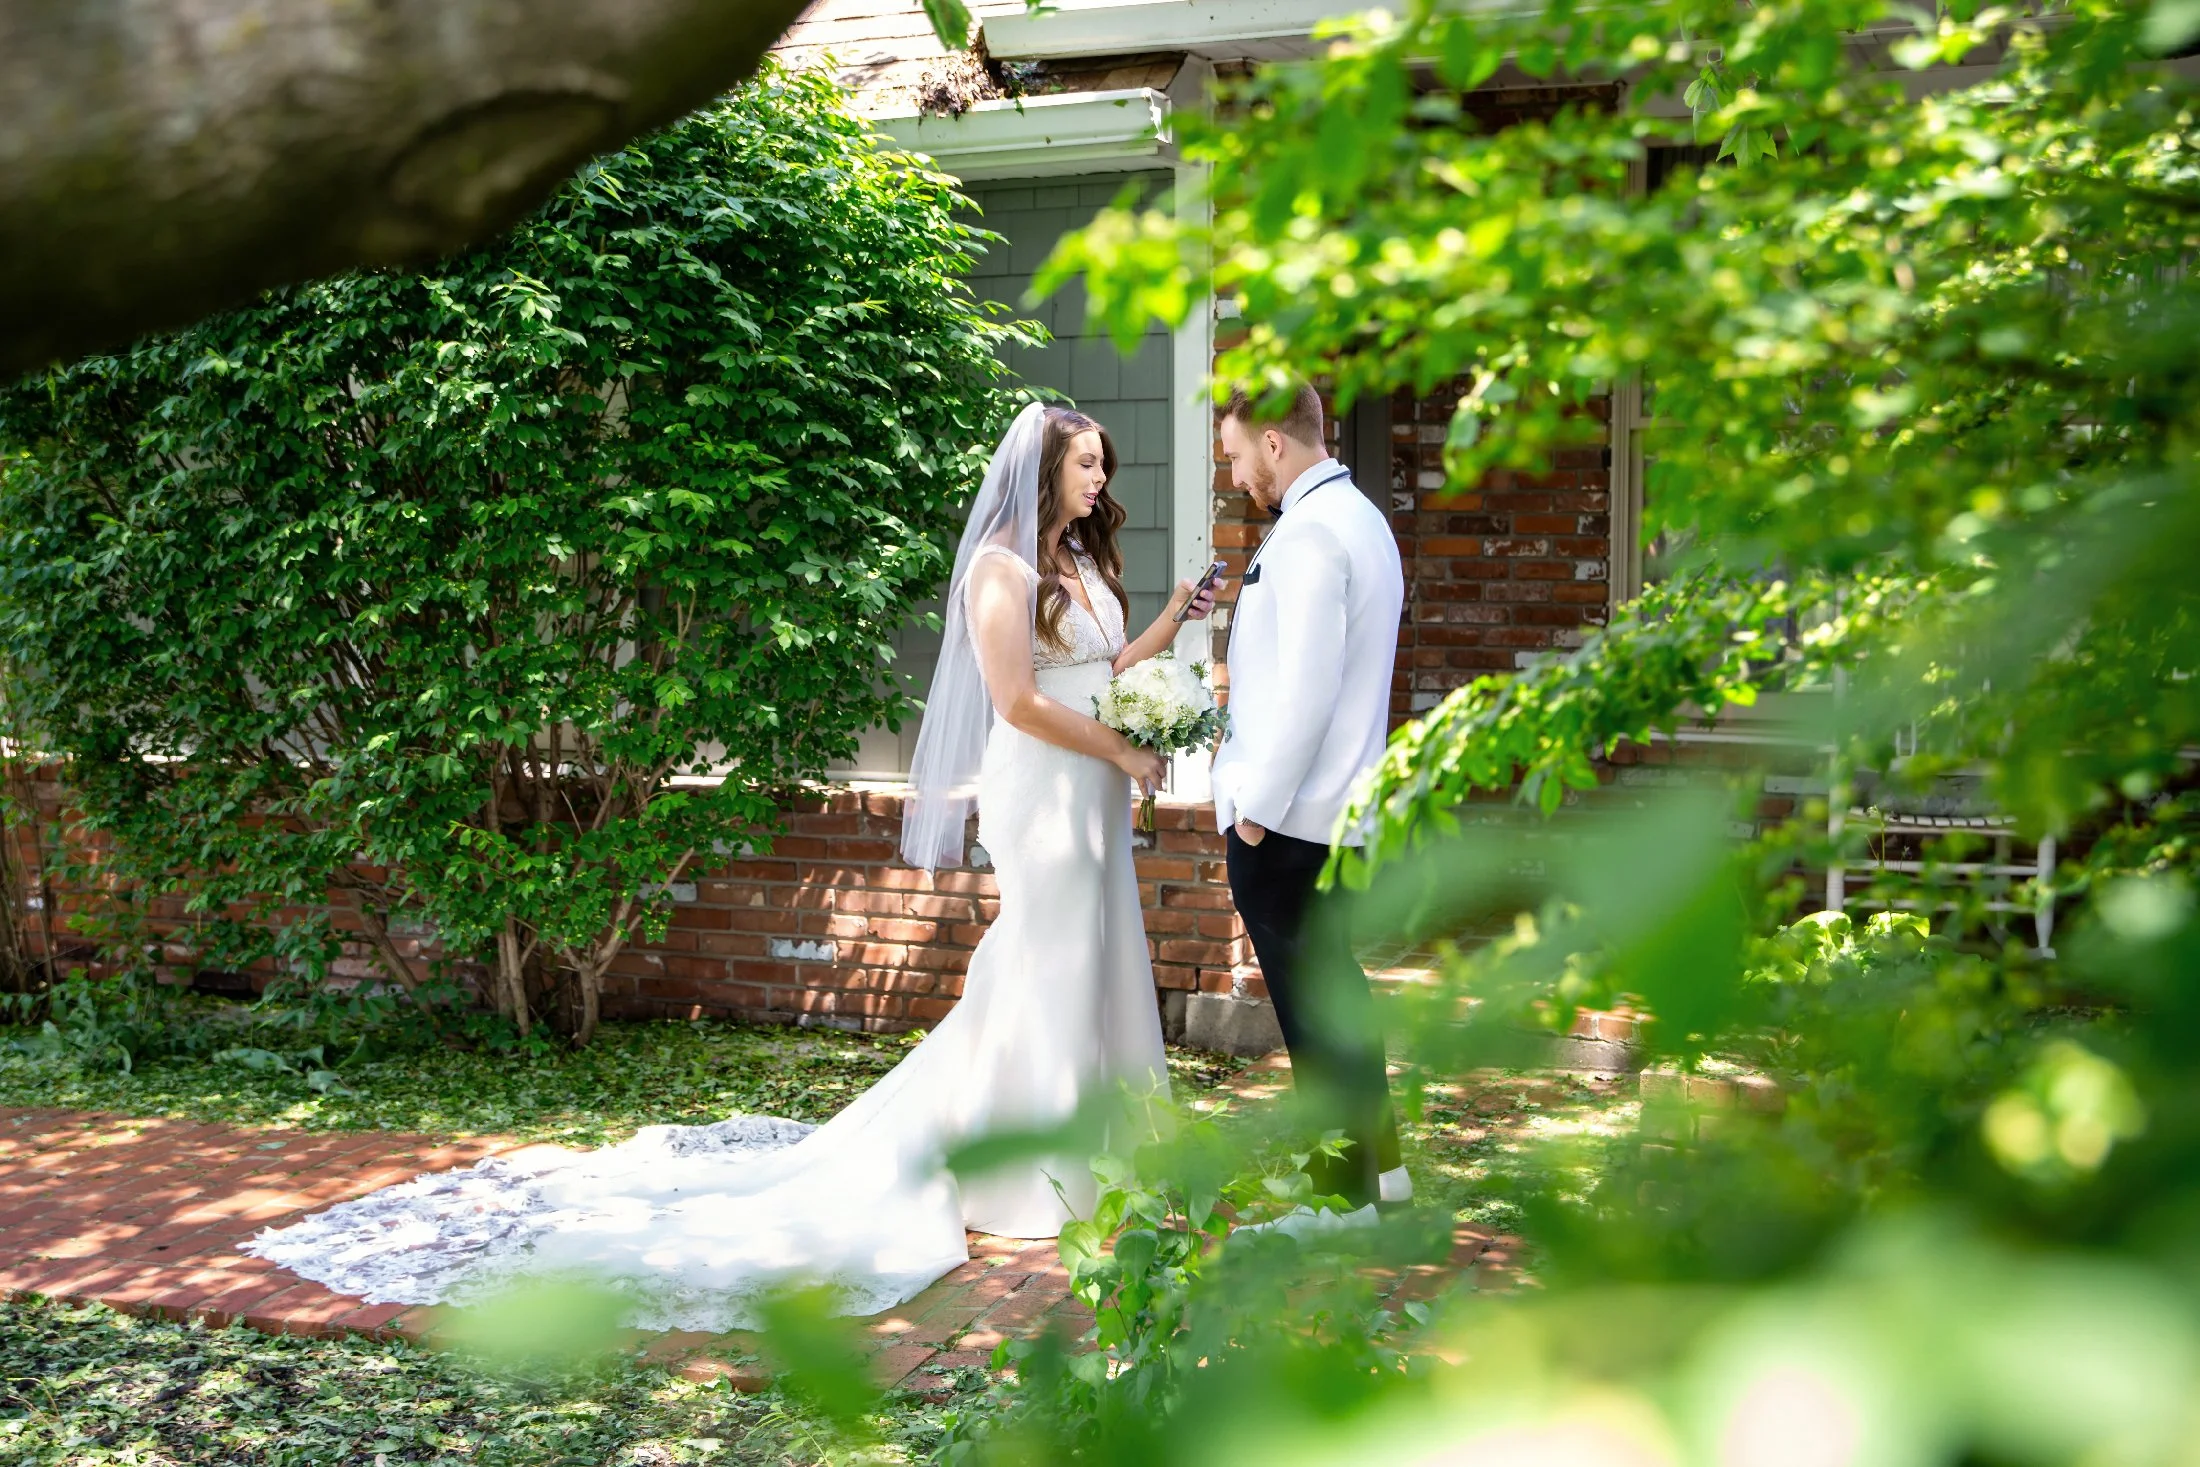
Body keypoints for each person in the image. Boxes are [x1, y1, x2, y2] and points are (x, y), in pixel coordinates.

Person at [241, 402, 1220, 1330]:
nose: (1101, 478)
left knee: (1091, 955)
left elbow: (1103, 674)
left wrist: (1173, 623)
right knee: (1044, 959)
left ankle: (1095, 1151)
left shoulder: (1082, 564)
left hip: (1090, 781)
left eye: (1102, 465)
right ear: (1044, 470)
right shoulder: (1000, 572)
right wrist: (1121, 752)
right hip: (1042, 785)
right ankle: (1018, 1167)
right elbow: (1013, 701)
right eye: (1086, 462)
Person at [1210, 380, 1409, 1237]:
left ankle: (1340, 1199)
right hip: (1335, 812)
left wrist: (1253, 808)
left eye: (1236, 456)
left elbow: (1308, 695)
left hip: (1291, 819)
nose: (1236, 475)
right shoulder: (1358, 517)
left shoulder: (1310, 535)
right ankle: (1382, 1176)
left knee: (1310, 1007)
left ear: (1274, 445)